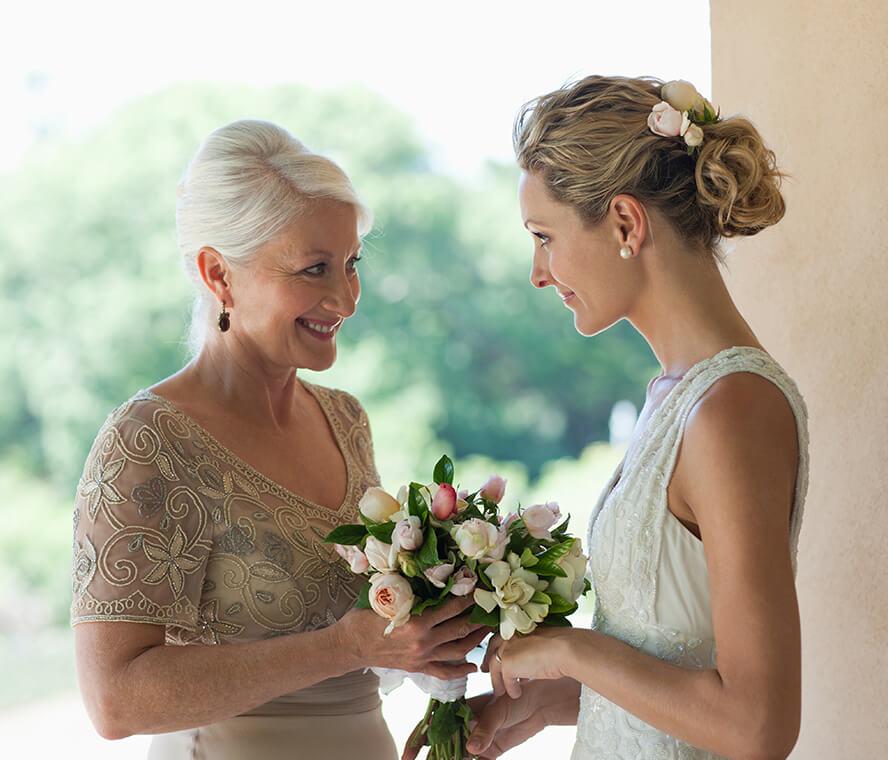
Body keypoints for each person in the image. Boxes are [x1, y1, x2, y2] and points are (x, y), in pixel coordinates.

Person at [71, 119, 486, 760]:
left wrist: (435, 632)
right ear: (219, 276)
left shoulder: (346, 420)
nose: (344, 299)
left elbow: (363, 632)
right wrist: (346, 646)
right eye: (313, 269)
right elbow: (115, 701)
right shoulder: (148, 441)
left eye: (350, 265)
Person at [462, 76, 808, 759]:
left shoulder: (732, 409)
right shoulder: (672, 398)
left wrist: (570, 648)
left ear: (625, 222)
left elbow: (758, 726)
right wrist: (537, 706)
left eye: (544, 237)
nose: (538, 272)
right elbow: (675, 668)